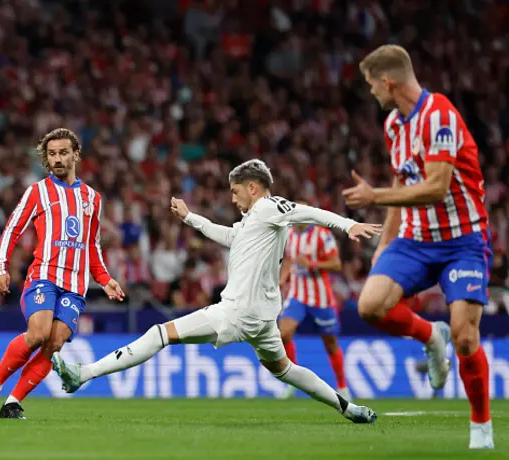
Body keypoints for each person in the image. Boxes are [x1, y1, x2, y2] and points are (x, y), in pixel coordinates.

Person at [52, 159, 381, 424]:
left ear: (253, 188)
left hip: (238, 312)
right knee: (286, 370)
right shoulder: (254, 221)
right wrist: (191, 218)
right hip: (263, 317)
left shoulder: (269, 208)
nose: (232, 198)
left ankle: (84, 373)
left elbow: (307, 212)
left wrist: (347, 225)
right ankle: (348, 408)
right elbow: (228, 236)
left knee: (159, 333)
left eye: (236, 191)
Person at [342, 45, 493, 449]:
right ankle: (430, 337)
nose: (372, 92)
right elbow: (403, 181)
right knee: (370, 305)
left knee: (465, 337)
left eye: (373, 84)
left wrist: (373, 199)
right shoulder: (394, 124)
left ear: (389, 81)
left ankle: (481, 427)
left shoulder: (439, 115)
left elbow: (435, 187)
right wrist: (386, 241)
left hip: (463, 240)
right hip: (414, 239)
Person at [0, 128, 125, 419]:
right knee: (37, 334)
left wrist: (105, 279)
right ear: (46, 159)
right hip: (43, 277)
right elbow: (12, 230)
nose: (57, 159)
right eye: (52, 154)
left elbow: (92, 246)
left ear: (76, 154)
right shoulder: (38, 192)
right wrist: (1, 268)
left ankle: (12, 403)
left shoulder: (92, 198)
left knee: (55, 343)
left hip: (75, 286)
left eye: (63, 153)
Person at [278, 208, 348, 400]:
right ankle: (293, 381)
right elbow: (290, 261)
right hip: (297, 295)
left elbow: (336, 264)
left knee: (331, 344)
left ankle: (342, 386)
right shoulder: (290, 235)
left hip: (321, 297)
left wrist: (313, 264)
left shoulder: (322, 235)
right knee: (283, 334)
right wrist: (282, 279)